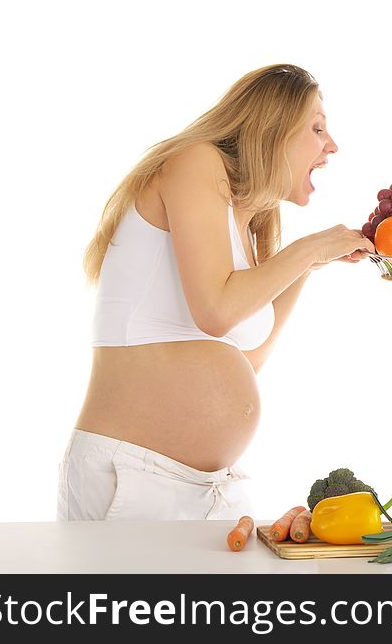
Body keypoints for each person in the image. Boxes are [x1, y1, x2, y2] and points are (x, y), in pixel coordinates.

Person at [57, 64, 374, 521]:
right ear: (272, 128)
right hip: (132, 475)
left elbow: (247, 357)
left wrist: (309, 267)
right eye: (317, 128)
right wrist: (305, 250)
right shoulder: (196, 162)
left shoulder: (248, 219)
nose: (332, 145)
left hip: (208, 489)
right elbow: (216, 310)